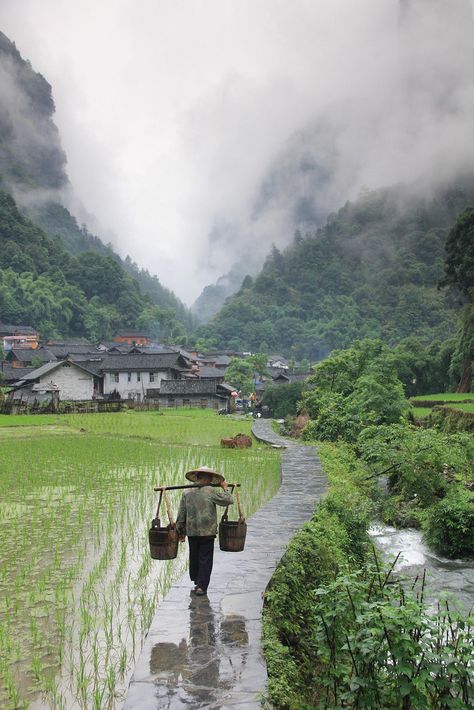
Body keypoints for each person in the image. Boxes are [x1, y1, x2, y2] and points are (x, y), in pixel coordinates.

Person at [176, 466, 234, 596]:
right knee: (205, 558)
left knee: (195, 556)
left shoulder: (186, 492)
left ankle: (197, 581)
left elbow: (181, 515)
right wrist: (226, 488)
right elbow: (229, 500)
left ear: (197, 478)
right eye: (210, 478)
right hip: (207, 531)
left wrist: (181, 531)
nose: (211, 480)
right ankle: (201, 586)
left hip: (192, 531)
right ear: (206, 478)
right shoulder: (211, 491)